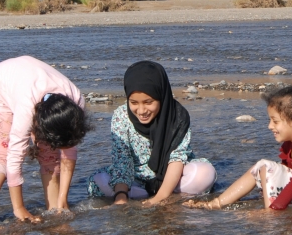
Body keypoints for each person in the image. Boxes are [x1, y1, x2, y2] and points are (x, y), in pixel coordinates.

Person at [0, 56, 90, 229]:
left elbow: (69, 151)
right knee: (3, 153)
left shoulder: (76, 104)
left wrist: (64, 196)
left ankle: (56, 209)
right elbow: (14, 158)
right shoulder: (26, 112)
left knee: (50, 156)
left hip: (30, 83)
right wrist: (19, 208)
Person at [185, 85, 292, 211]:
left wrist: (277, 206)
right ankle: (218, 202)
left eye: (275, 121)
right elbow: (288, 170)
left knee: (266, 167)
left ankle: (271, 213)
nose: (269, 126)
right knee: (262, 168)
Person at [89, 61, 216, 206]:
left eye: (148, 102)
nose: (141, 111)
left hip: (174, 178)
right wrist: (121, 196)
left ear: (161, 96)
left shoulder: (177, 117)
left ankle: (165, 195)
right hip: (136, 180)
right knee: (98, 181)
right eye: (134, 103)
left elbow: (177, 159)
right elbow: (122, 160)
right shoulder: (121, 116)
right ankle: (166, 197)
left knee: (204, 174)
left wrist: (159, 198)